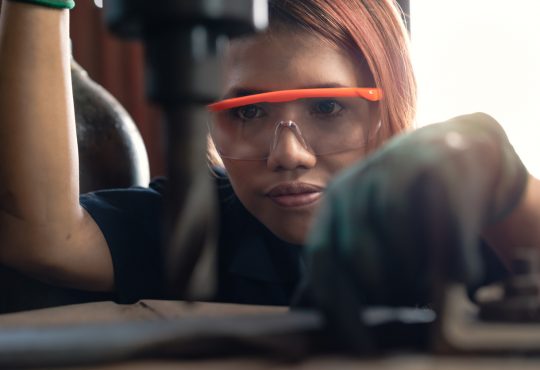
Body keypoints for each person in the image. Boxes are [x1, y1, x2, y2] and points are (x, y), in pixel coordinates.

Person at [0, 0, 539, 311]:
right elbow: (46, 238)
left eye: (328, 107)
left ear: (392, 102)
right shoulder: (203, 225)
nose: (289, 154)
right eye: (248, 113)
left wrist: (510, 192)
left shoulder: (463, 211)